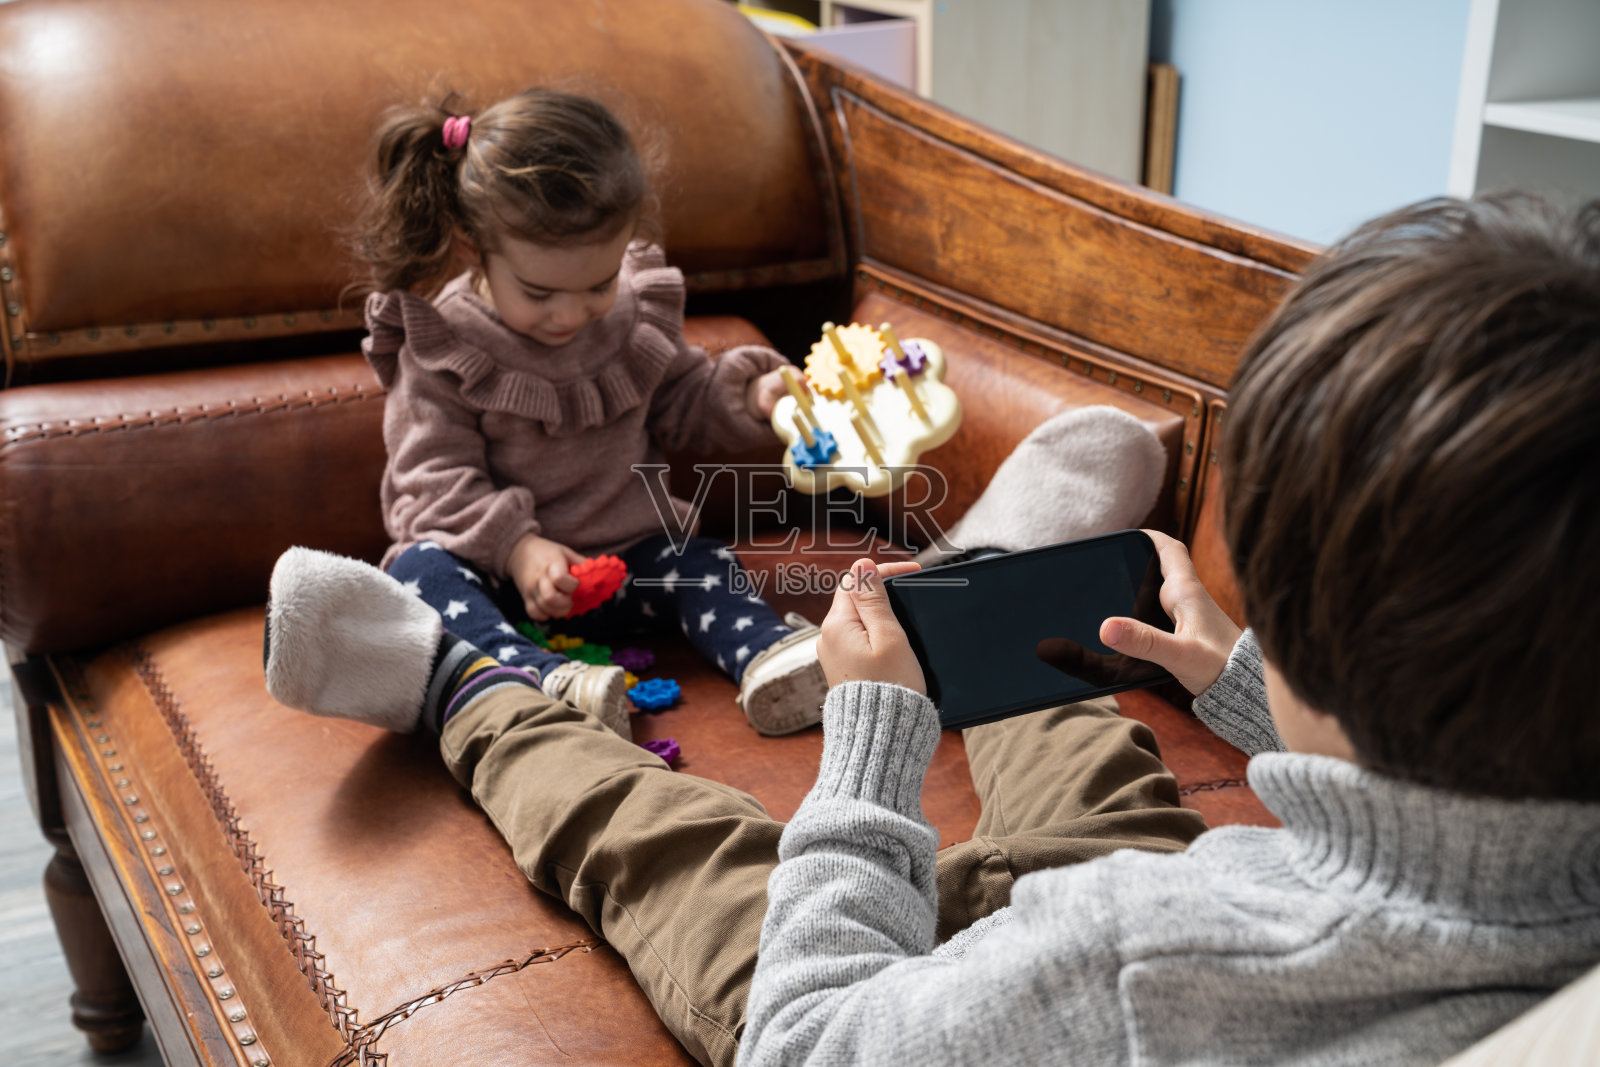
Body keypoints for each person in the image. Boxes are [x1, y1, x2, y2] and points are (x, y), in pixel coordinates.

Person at [265, 192, 1600, 1067]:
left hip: (1043, 988)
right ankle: (982, 574)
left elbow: (812, 1039)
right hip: (1200, 937)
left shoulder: (1138, 955)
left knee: (703, 873)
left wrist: (874, 736)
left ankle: (457, 687)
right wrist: (1253, 690)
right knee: (1089, 757)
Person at [333, 86, 825, 739]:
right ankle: (543, 682)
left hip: (630, 566)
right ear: (472, 246)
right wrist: (517, 550)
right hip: (503, 585)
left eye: (599, 283)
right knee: (419, 573)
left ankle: (768, 655)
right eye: (538, 293)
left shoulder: (631, 318)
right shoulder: (444, 346)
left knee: (703, 561)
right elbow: (431, 482)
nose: (570, 315)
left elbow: (684, 401)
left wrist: (754, 396)